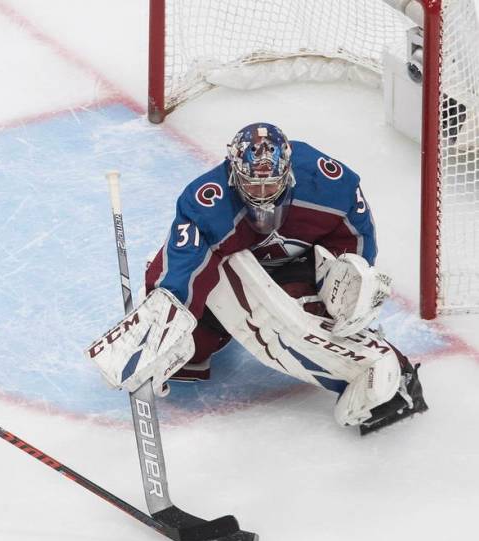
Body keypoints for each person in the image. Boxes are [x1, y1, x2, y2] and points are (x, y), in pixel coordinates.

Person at [88, 122, 427, 434]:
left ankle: (388, 373)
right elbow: (182, 270)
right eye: (253, 183)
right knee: (185, 339)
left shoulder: (328, 183)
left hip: (300, 270)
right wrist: (161, 325)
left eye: (271, 183)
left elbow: (358, 242)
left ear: (289, 172)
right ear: (233, 173)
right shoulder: (207, 201)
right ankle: (188, 340)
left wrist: (351, 282)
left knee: (295, 325)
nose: (263, 193)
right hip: (233, 271)